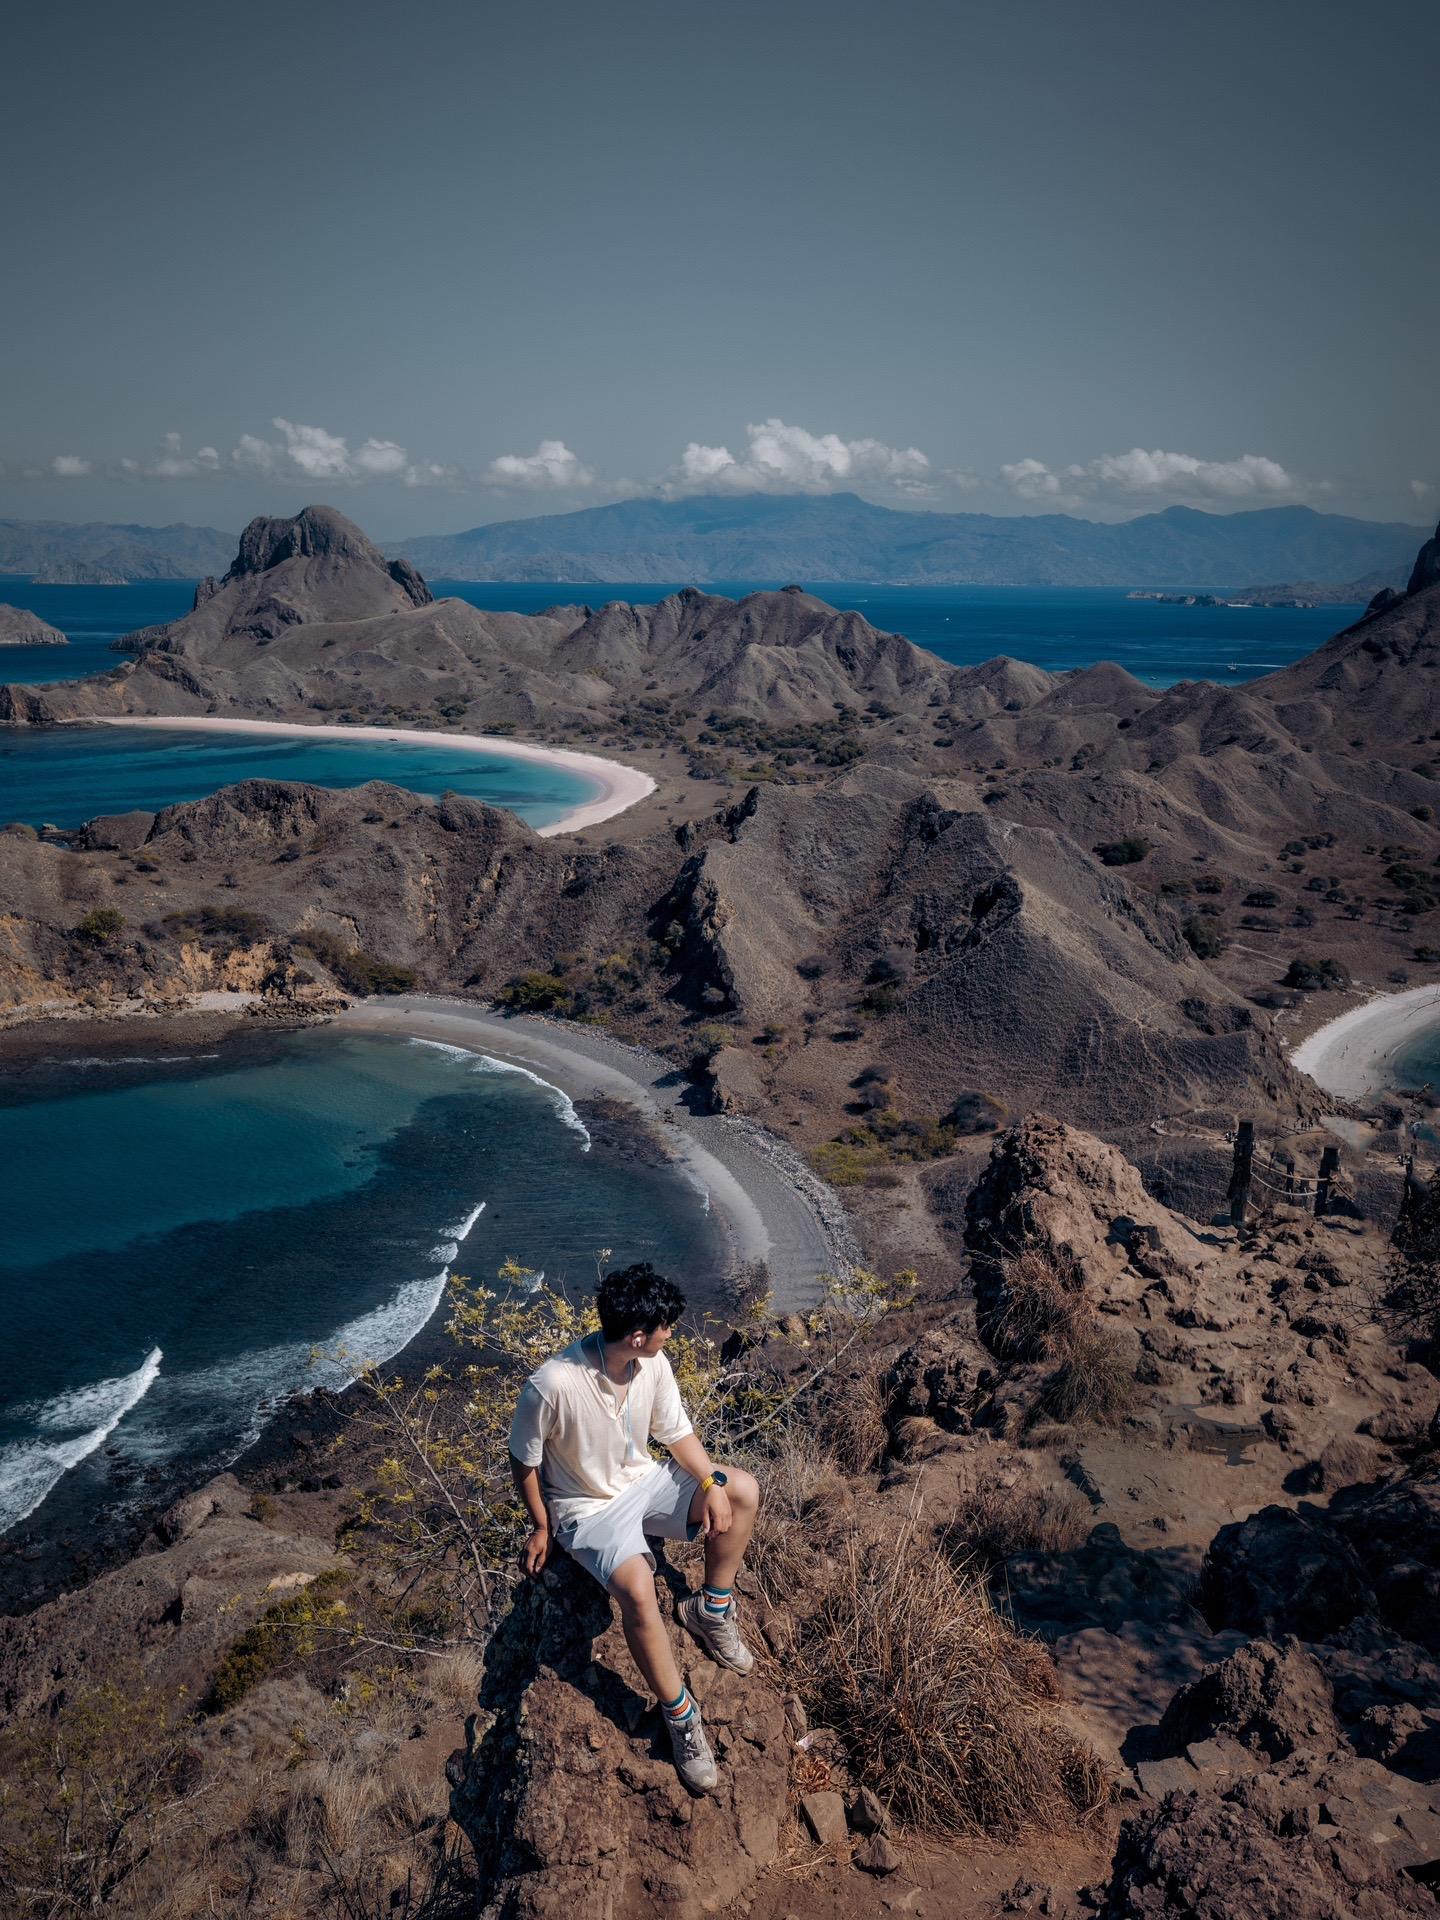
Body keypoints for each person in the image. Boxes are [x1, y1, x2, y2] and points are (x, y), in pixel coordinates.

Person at [507, 1262, 761, 1793]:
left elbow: (678, 1433)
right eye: (666, 1327)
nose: (672, 1334)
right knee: (639, 1590)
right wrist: (540, 1525)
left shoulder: (653, 1363)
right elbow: (524, 1461)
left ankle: (710, 1611)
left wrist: (711, 1483)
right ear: (638, 1336)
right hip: (588, 1509)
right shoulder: (553, 1384)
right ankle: (682, 1717)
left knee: (742, 1489)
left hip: (644, 1483)